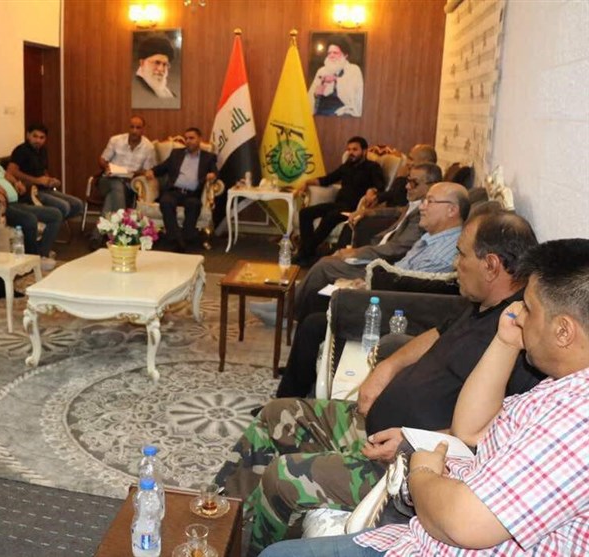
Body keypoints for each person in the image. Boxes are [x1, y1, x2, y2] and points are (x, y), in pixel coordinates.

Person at [215, 212, 542, 557]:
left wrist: (416, 440)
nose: (454, 262)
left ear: (491, 265)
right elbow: (437, 333)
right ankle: (218, 519)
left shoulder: (520, 339)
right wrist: (387, 367)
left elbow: (496, 431)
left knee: (284, 477)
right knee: (276, 413)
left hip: (398, 464)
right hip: (371, 426)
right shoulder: (483, 304)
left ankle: (239, 550)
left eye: (461, 253)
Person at [252, 176, 462, 328]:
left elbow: (398, 254)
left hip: (383, 270)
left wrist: (362, 262)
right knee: (325, 254)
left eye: (429, 201)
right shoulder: (427, 229)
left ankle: (287, 313)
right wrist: (366, 211)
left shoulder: (433, 241)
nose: (423, 206)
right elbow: (395, 213)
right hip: (385, 270)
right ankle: (285, 305)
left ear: (452, 210)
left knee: (325, 265)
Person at [0, 131, 60, 271]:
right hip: (0, 207)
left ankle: (42, 254)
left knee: (55, 214)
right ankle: (33, 259)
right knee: (30, 220)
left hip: (16, 203)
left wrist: (16, 182)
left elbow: (6, 174)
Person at [295, 137, 384, 267]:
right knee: (305, 213)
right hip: (338, 204)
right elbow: (327, 179)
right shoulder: (346, 167)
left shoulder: (372, 167)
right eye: (349, 149)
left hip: (354, 208)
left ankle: (304, 253)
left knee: (330, 216)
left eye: (355, 149)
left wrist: (371, 190)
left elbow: (380, 186)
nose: (351, 152)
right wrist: (306, 182)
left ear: (364, 151)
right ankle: (308, 252)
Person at [144, 127, 217, 252]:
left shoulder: (208, 157)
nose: (188, 141)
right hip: (174, 191)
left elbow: (215, 172)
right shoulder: (176, 154)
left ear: (199, 139)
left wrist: (213, 175)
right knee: (166, 202)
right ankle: (177, 239)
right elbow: (163, 167)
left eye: (191, 138)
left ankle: (185, 238)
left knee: (194, 204)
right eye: (186, 138)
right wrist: (151, 171)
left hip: (192, 194)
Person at [90, 116, 156, 250]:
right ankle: (122, 231)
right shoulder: (116, 140)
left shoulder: (148, 147)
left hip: (128, 184)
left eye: (138, 128)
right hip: (107, 180)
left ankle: (96, 236)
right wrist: (106, 167)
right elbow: (102, 159)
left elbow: (147, 170)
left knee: (112, 197)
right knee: (116, 186)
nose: (134, 131)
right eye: (132, 127)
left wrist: (138, 172)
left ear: (143, 129)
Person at [7, 123, 84, 224]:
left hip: (45, 188)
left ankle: (52, 224)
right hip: (31, 191)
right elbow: (11, 171)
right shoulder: (21, 150)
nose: (38, 140)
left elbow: (43, 171)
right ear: (28, 135)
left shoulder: (43, 151)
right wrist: (37, 180)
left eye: (41, 138)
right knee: (64, 206)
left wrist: (50, 180)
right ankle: (51, 223)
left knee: (78, 204)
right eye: (35, 136)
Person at [308, 35, 363, 117]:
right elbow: (310, 99)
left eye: (335, 53)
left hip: (342, 116)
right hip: (321, 116)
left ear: (345, 55)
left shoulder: (353, 70)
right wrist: (316, 94)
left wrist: (336, 79)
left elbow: (354, 97)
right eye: (329, 53)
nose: (331, 56)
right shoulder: (322, 71)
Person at [132, 34, 180, 110]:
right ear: (142, 63)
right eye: (156, 63)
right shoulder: (136, 88)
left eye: (165, 64)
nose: (161, 69)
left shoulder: (169, 94)